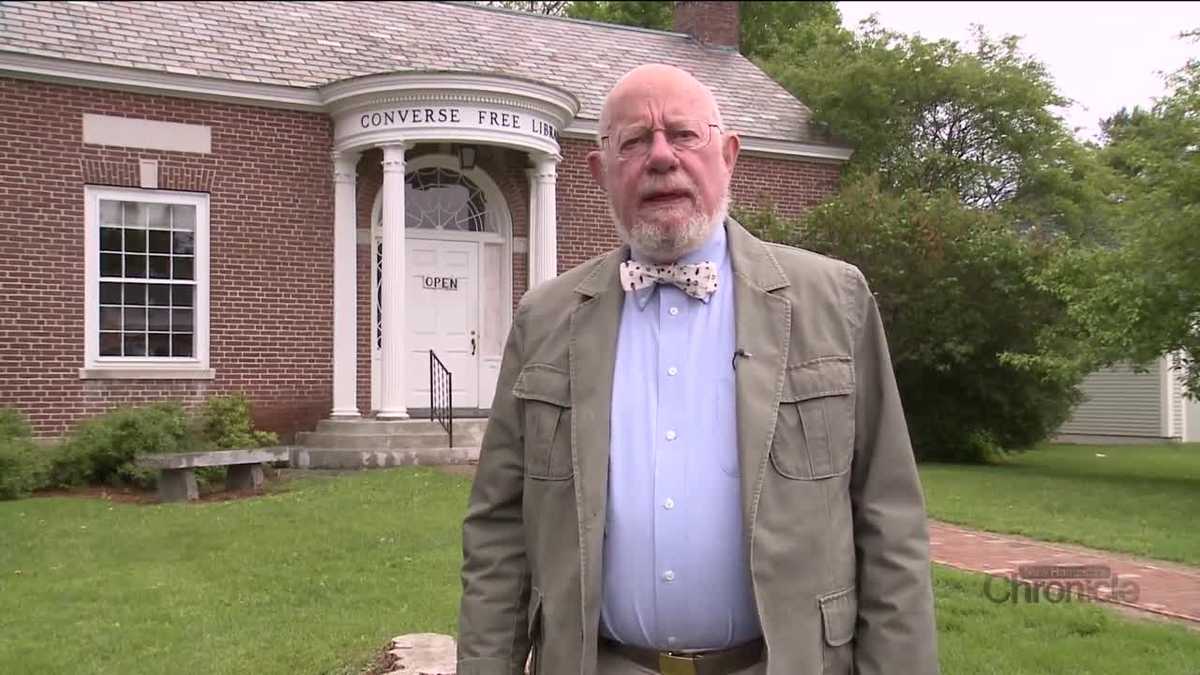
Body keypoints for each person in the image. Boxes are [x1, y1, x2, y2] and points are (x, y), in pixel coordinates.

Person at [457, 63, 939, 675]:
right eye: (634, 141)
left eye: (684, 134)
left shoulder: (834, 301)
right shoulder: (544, 318)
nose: (661, 157)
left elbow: (889, 519)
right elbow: (499, 529)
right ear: (600, 171)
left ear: (728, 155)